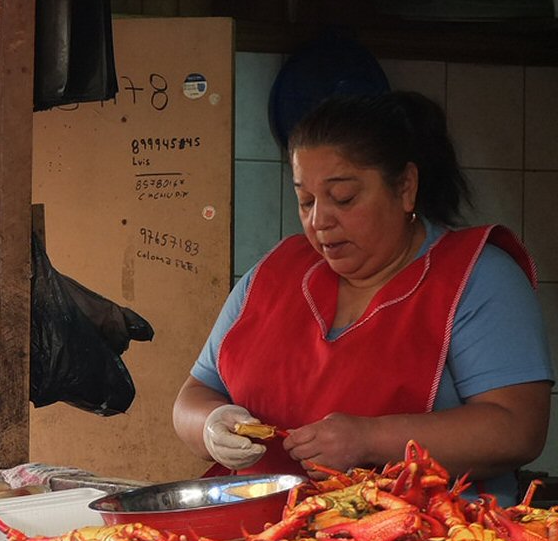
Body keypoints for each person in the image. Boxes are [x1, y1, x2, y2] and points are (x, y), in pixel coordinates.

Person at [173, 91, 553, 505]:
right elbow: (194, 394)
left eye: (344, 198)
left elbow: (517, 429)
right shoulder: (272, 273)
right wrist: (211, 425)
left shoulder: (478, 277)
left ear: (405, 187)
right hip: (259, 539)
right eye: (305, 200)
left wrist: (370, 439)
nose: (319, 221)